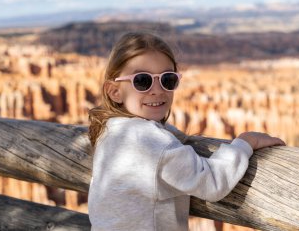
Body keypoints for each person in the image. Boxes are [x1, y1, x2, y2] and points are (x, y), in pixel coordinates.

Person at [87, 31, 286, 231]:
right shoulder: (153, 144)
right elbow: (213, 183)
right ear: (114, 91)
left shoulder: (111, 131)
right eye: (142, 81)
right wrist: (245, 143)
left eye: (167, 79)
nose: (157, 89)